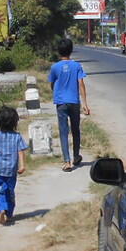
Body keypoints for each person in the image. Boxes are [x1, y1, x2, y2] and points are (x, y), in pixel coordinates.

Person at [48, 37, 90, 172]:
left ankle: (67, 162)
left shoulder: (54, 67)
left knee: (63, 131)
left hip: (61, 102)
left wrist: (56, 91)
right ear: (71, 51)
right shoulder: (77, 66)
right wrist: (85, 104)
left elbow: (52, 84)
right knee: (76, 130)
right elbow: (81, 84)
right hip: (74, 102)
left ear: (58, 51)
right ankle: (76, 156)